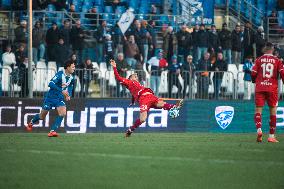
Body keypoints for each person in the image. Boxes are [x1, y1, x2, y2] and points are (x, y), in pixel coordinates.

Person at [110, 59, 184, 137]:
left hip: (150, 96)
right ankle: (130, 130)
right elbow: (118, 78)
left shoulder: (137, 84)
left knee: (161, 104)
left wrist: (132, 101)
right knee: (142, 119)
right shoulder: (128, 82)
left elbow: (133, 94)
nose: (136, 76)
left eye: (136, 76)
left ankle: (175, 107)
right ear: (130, 78)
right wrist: (114, 67)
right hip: (144, 99)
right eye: (134, 75)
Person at [26, 60, 76, 137]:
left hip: (59, 99)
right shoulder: (60, 74)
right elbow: (50, 83)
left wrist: (68, 95)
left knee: (63, 113)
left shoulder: (72, 78)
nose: (74, 68)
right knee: (42, 116)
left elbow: (70, 86)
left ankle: (52, 131)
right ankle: (31, 122)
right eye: (73, 67)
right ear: (68, 67)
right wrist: (62, 91)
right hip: (50, 98)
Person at [251, 42, 284, 143]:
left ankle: (259, 131)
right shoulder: (277, 61)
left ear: (265, 49)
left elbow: (253, 73)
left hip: (260, 87)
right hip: (272, 88)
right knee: (273, 112)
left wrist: (254, 80)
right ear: (272, 49)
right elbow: (283, 73)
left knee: (258, 111)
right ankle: (271, 136)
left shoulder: (259, 60)